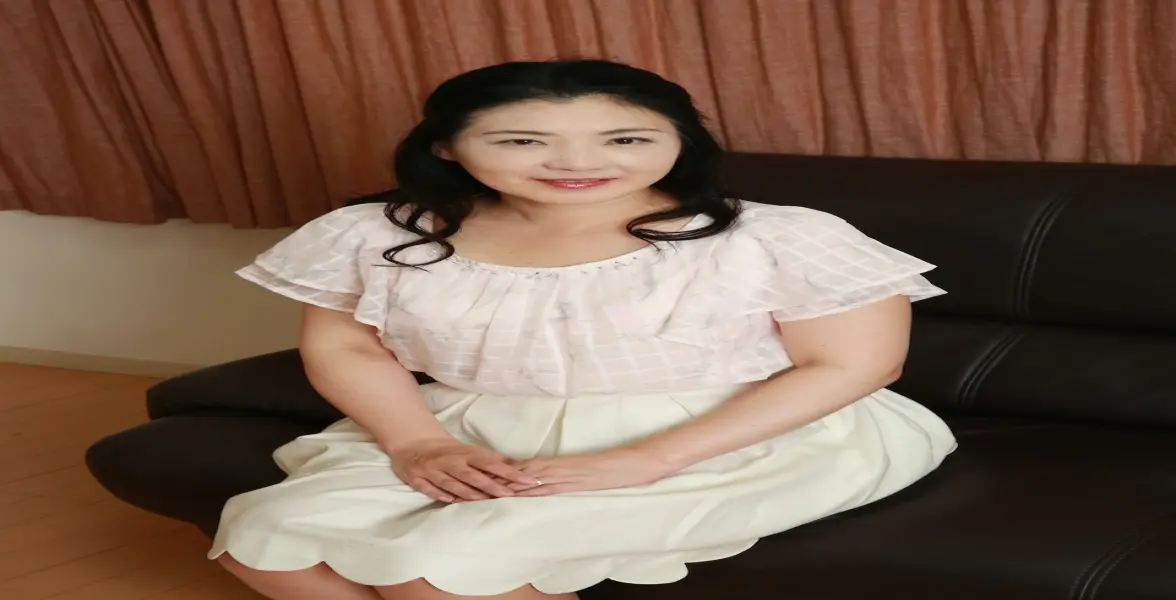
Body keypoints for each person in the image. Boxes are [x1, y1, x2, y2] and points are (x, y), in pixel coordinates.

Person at [208, 58, 957, 600]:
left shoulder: (777, 237)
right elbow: (345, 345)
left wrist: (648, 459)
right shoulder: (379, 233)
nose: (575, 163)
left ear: (681, 142)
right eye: (521, 140)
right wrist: (418, 443)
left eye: (625, 139)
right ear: (446, 146)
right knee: (265, 536)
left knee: (441, 567)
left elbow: (854, 365)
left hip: (736, 431)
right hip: (468, 422)